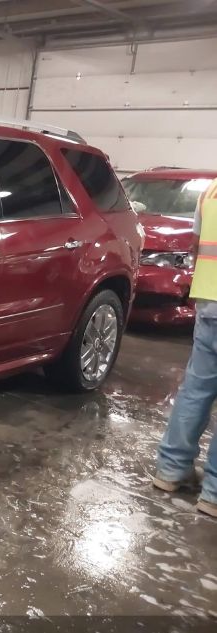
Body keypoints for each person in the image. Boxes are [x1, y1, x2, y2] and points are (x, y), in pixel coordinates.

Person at [154, 177, 217, 517]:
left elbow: (196, 246)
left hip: (210, 303)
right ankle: (214, 493)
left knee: (196, 389)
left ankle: (171, 470)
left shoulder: (210, 190)